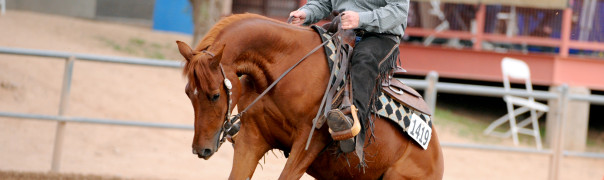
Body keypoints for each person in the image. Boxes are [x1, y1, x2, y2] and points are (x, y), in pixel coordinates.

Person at [290, 0, 409, 153]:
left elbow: (399, 11)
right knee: (312, 51)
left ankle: (351, 128)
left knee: (364, 59)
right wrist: (306, 13)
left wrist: (361, 19)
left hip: (380, 35)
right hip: (343, 29)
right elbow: (324, 3)